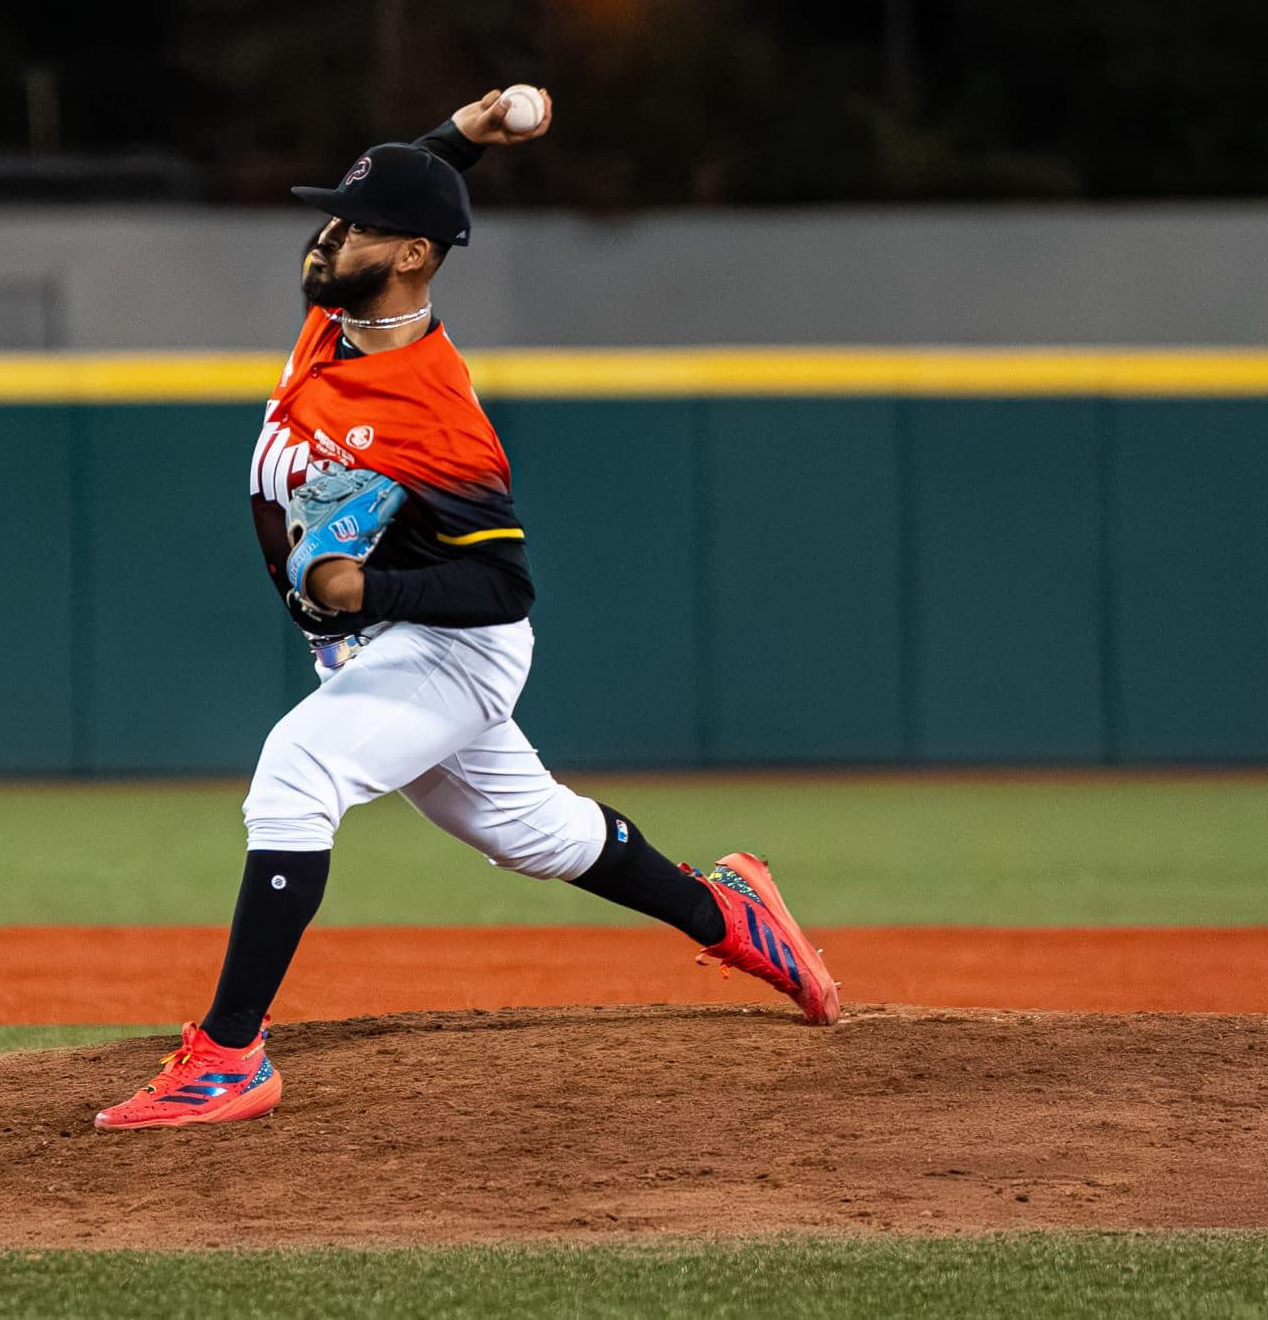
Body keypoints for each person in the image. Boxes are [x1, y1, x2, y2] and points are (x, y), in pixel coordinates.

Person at [96, 88, 838, 1130]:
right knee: (534, 832)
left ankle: (229, 1055)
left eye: (355, 228)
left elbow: (504, 588)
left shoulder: (437, 418)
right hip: (373, 649)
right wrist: (461, 140)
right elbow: (401, 201)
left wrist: (373, 588)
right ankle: (733, 911)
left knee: (297, 774)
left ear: (408, 258)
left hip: (452, 645)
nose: (327, 241)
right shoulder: (336, 322)